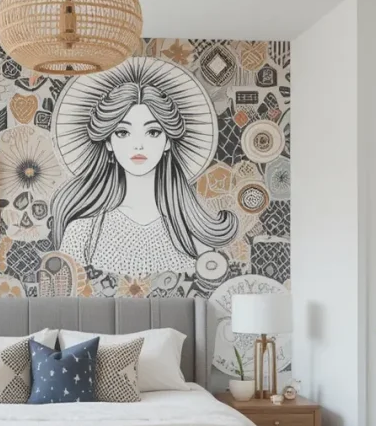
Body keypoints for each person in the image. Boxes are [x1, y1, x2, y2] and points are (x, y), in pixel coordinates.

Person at [50, 58, 237, 276]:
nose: (138, 145)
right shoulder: (82, 234)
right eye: (123, 132)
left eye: (153, 132)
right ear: (108, 142)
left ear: (168, 141)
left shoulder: (194, 236)